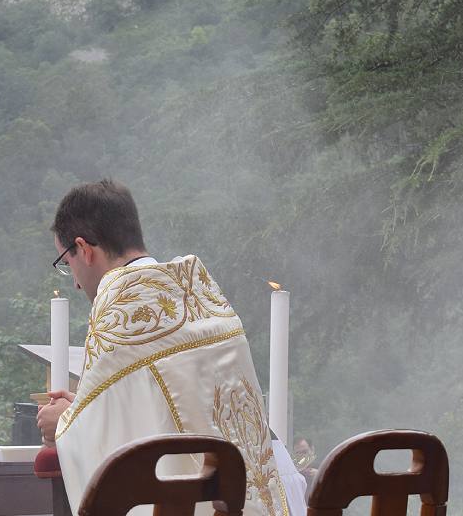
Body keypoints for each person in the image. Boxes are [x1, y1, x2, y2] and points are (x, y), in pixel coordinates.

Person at [35, 180, 306, 516]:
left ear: (84, 249)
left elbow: (106, 451)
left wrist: (63, 423)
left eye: (66, 261)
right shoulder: (200, 291)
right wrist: (89, 409)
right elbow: (178, 409)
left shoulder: (118, 308)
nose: (74, 281)